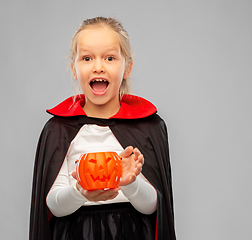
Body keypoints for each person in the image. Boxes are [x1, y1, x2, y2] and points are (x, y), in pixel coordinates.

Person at [29, 16, 176, 240]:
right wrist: (80, 192)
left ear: (127, 67)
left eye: (109, 58)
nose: (98, 67)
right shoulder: (59, 130)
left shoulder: (148, 127)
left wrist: (131, 182)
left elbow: (154, 207)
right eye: (87, 58)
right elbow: (53, 205)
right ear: (74, 68)